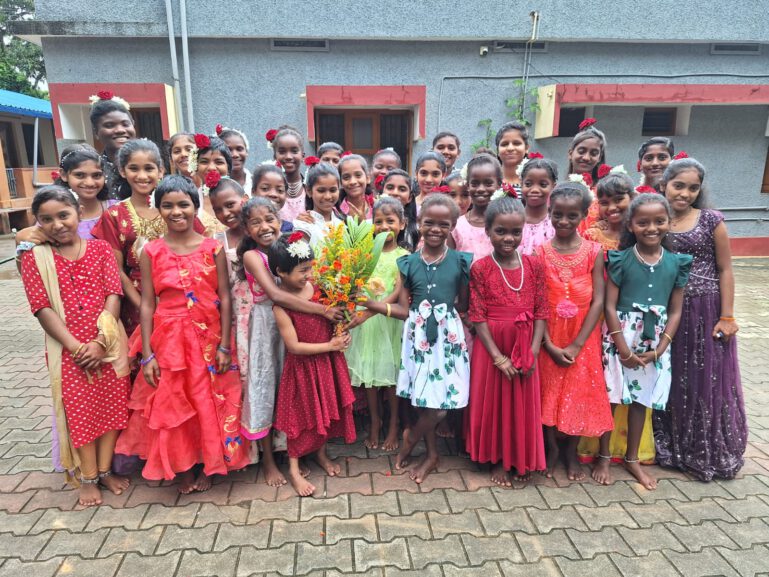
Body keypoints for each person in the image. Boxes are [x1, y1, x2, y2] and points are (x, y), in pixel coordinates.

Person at [115, 175, 248, 492]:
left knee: (210, 399)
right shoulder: (152, 251)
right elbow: (147, 304)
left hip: (210, 336)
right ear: (158, 209)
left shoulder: (213, 247)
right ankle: (183, 466)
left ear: (195, 207)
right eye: (167, 206)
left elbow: (226, 297)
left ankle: (208, 463)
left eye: (183, 205)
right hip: (170, 339)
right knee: (177, 402)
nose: (176, 212)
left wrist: (226, 345)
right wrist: (147, 354)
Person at [21, 186, 130, 506]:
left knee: (113, 408)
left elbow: (113, 293)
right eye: (47, 219)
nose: (57, 224)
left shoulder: (100, 251)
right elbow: (41, 307)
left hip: (107, 343)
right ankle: (88, 477)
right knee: (80, 414)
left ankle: (106, 471)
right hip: (68, 350)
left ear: (78, 214)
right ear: (37, 223)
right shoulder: (34, 257)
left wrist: (100, 342)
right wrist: (76, 347)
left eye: (64, 215)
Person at [363, 194, 472, 484]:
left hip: (447, 337)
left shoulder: (461, 262)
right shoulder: (407, 263)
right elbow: (402, 309)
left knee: (440, 405)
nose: (435, 229)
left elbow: (462, 305)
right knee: (424, 398)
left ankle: (410, 438)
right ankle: (432, 455)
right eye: (429, 223)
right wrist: (370, 305)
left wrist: (443, 317)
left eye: (443, 224)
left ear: (453, 225)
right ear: (418, 224)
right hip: (417, 336)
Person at [239, 198, 344, 486]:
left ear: (280, 218)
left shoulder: (288, 249)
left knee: (298, 393)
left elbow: (311, 282)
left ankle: (305, 451)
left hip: (300, 326)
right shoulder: (252, 256)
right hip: (266, 330)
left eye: (270, 218)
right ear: (246, 229)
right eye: (256, 222)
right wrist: (324, 310)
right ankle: (269, 462)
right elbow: (276, 295)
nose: (265, 226)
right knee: (265, 390)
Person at [654, 159, 747, 481]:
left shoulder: (710, 221)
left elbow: (726, 269)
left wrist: (727, 315)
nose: (685, 193)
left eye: (693, 187)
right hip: (669, 310)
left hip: (706, 309)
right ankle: (671, 446)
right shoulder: (657, 218)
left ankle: (704, 449)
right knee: (673, 378)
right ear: (664, 184)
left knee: (705, 379)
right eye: (679, 185)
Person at [604, 193, 692, 490]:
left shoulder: (677, 263)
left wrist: (662, 347)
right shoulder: (620, 259)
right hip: (620, 334)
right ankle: (604, 455)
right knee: (613, 396)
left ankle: (632, 460)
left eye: (659, 221)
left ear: (669, 222)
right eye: (643, 222)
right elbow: (608, 305)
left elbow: (676, 309)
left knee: (642, 401)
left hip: (657, 340)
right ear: (631, 225)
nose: (651, 228)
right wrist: (623, 347)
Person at [577, 173, 656, 478]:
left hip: (637, 319)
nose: (611, 207)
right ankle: (600, 452)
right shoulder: (592, 236)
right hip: (600, 318)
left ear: (632, 198)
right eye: (604, 201)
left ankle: (630, 453)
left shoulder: (642, 233)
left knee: (635, 385)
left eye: (618, 199)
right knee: (605, 385)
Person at [465, 197, 548, 485]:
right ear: (487, 231)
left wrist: (532, 352)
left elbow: (541, 311)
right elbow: (477, 316)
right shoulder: (480, 268)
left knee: (520, 404)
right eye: (501, 231)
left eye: (515, 232)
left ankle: (520, 458)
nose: (508, 238)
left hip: (525, 345)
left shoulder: (534, 265)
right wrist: (498, 357)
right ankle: (498, 459)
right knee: (494, 404)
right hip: (492, 348)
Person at [538, 182, 613, 481]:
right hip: (550, 333)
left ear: (584, 215)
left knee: (577, 393)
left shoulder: (594, 251)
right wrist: (548, 344)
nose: (564, 221)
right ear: (549, 213)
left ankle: (571, 453)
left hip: (583, 335)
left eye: (572, 215)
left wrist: (577, 344)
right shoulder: (539, 252)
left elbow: (599, 300)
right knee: (549, 391)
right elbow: (538, 301)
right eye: (558, 214)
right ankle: (551, 447)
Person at [270, 233, 356, 496]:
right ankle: (294, 470)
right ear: (280, 272)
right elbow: (293, 346)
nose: (308, 275)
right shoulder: (281, 306)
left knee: (324, 411)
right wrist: (328, 347)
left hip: (328, 363)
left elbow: (337, 317)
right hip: (303, 368)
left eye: (310, 268)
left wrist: (342, 331)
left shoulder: (320, 287)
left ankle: (321, 454)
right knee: (300, 416)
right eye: (301, 271)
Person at [345, 196, 409, 450]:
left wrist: (370, 313)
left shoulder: (404, 256)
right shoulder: (366, 253)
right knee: (369, 374)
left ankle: (393, 424)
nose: (384, 227)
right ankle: (375, 421)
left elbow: (397, 291)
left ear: (402, 224)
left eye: (390, 221)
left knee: (391, 376)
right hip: (366, 323)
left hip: (388, 319)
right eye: (378, 221)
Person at [92, 139, 166, 336]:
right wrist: (142, 306)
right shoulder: (114, 215)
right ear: (123, 171)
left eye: (149, 168)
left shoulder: (175, 208)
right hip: (136, 300)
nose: (142, 176)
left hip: (178, 296)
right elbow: (115, 269)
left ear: (160, 171)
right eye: (134, 168)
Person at [448, 153, 498, 261]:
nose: (480, 189)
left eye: (488, 183)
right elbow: (450, 264)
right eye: (475, 183)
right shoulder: (456, 227)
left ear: (498, 185)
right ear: (468, 185)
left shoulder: (504, 223)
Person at [89, 93, 136, 198]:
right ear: (96, 132)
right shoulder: (94, 171)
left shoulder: (151, 163)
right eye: (109, 125)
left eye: (125, 124)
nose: (120, 130)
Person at [292, 161, 344, 247]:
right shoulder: (304, 226)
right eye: (321, 190)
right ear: (309, 191)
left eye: (333, 190)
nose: (328, 196)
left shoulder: (343, 223)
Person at [518, 158, 557, 255]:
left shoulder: (557, 224)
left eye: (543, 185)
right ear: (521, 184)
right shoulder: (511, 221)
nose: (535, 189)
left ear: (553, 186)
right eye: (528, 184)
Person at [272, 126, 307, 222]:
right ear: (275, 156)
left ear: (302, 156)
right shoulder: (268, 191)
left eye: (294, 151)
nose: (288, 156)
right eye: (282, 151)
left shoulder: (311, 190)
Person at [381, 169, 419, 251]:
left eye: (402, 189)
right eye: (390, 187)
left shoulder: (416, 230)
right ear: (382, 192)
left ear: (410, 198)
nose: (395, 193)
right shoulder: (372, 225)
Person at [251, 163, 293, 232]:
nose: (273, 194)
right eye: (265, 188)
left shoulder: (290, 229)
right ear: (253, 192)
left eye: (280, 190)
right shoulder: (245, 229)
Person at [495, 121, 530, 194]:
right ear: (498, 150)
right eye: (504, 144)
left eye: (516, 143)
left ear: (526, 148)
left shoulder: (533, 183)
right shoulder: (490, 183)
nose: (510, 148)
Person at [337, 153, 374, 221]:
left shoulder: (377, 206)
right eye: (346, 177)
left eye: (358, 175)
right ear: (341, 182)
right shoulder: (335, 211)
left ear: (368, 178)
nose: (352, 182)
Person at [218, 126, 252, 192]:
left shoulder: (256, 182)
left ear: (246, 151)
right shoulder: (212, 186)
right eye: (228, 150)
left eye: (239, 149)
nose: (235, 155)